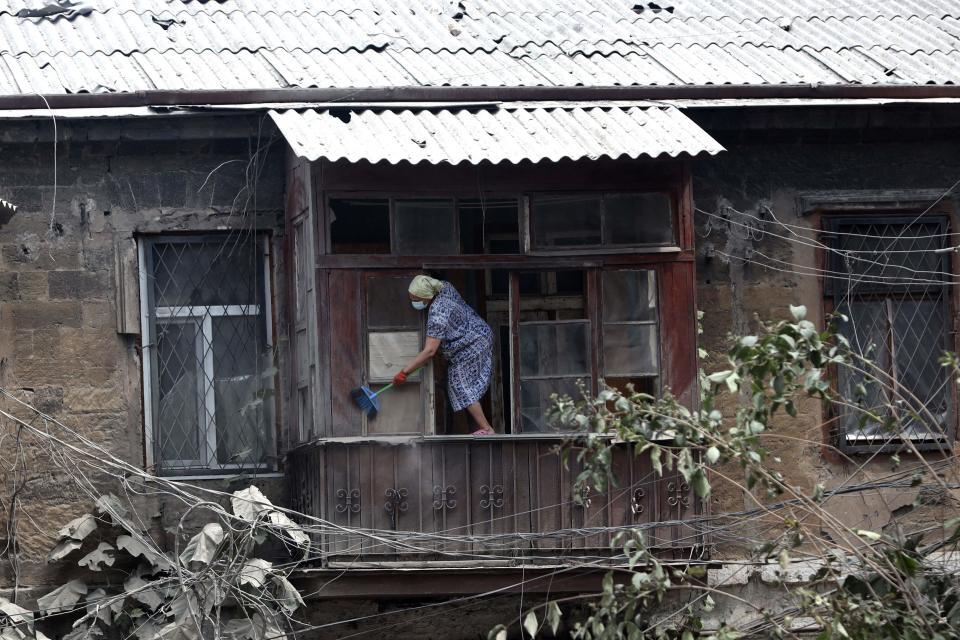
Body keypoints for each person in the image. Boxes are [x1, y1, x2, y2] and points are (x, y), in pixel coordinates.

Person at [394, 275, 495, 435]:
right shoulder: (444, 287)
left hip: (473, 343)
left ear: (427, 297)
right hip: (478, 332)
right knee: (461, 382)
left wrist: (404, 371)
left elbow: (430, 351)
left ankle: (487, 428)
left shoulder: (437, 314)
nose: (412, 300)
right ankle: (482, 426)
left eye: (415, 298)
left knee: (460, 385)